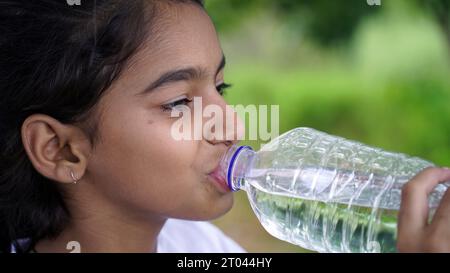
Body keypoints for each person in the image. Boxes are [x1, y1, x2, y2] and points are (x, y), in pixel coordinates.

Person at [0, 0, 449, 253]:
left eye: (221, 85)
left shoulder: (196, 244)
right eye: (178, 102)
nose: (231, 123)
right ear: (61, 150)